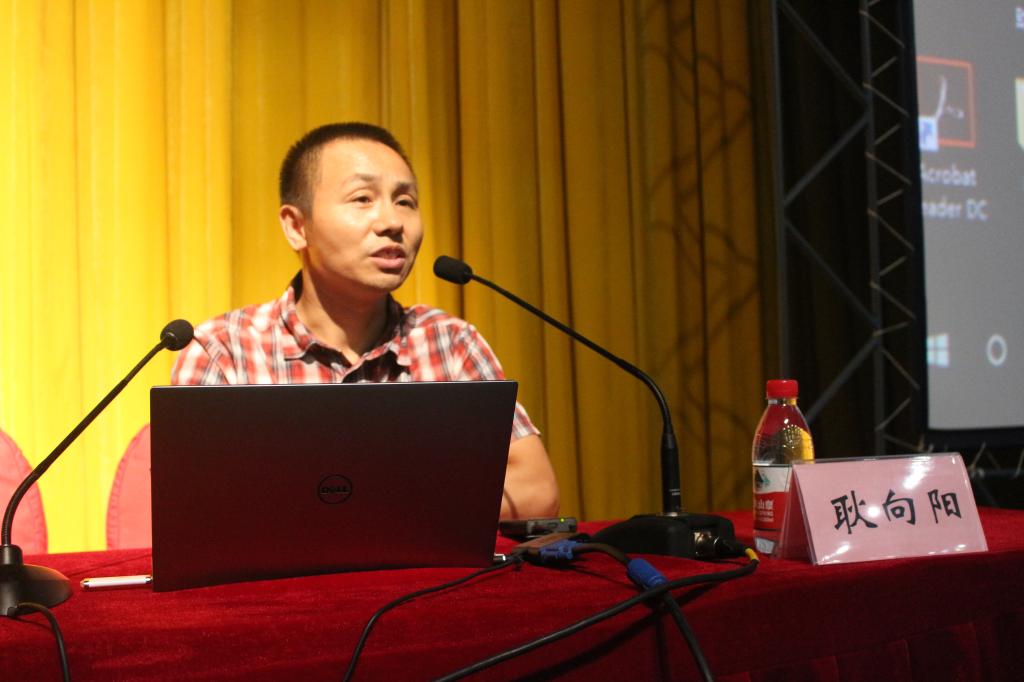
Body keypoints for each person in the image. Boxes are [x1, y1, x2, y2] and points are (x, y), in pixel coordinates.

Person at [172, 122, 559, 519]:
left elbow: (534, 492)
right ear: (296, 226)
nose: (392, 222)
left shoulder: (449, 343)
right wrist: (418, 495)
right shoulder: (224, 350)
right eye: (362, 198)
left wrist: (344, 500)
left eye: (405, 201)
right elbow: (191, 509)